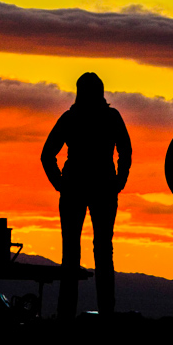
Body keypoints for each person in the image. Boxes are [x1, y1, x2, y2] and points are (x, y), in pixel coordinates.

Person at [41, 72, 131, 319]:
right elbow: (126, 151)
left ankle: (67, 313)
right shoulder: (110, 118)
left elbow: (47, 155)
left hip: (79, 187)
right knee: (102, 250)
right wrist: (119, 181)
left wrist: (60, 183)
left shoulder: (71, 118)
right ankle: (105, 312)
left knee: (72, 251)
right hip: (100, 187)